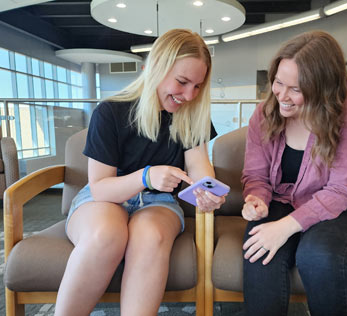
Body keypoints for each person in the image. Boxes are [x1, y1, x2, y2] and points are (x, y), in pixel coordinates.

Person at [55, 29, 226, 316]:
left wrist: (207, 194)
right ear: (155, 69)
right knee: (106, 235)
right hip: (107, 199)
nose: (189, 95)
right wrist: (146, 176)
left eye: (197, 86)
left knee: (150, 237)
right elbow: (100, 188)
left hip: (159, 203)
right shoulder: (110, 113)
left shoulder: (192, 115)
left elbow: (199, 170)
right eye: (182, 82)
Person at [241, 31, 347, 316]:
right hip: (283, 200)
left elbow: (342, 190)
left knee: (317, 254)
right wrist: (256, 198)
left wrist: (285, 227)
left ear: (323, 89)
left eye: (296, 89)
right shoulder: (265, 112)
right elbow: (256, 174)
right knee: (258, 252)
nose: (282, 95)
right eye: (278, 82)